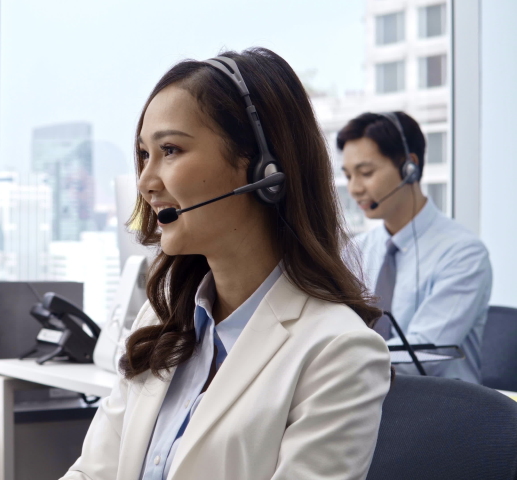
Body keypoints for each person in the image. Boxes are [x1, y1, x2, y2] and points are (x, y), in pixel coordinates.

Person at [61, 48, 391, 480]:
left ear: (263, 169)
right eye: (144, 154)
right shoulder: (160, 319)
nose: (145, 181)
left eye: (170, 150)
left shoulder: (338, 351)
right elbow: (93, 472)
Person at [338, 111, 492, 383]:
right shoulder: (356, 251)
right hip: (364, 398)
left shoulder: (464, 253)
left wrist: (339, 362)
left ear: (410, 167)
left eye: (366, 173)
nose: (354, 188)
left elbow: (423, 355)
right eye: (349, 176)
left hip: (440, 404)